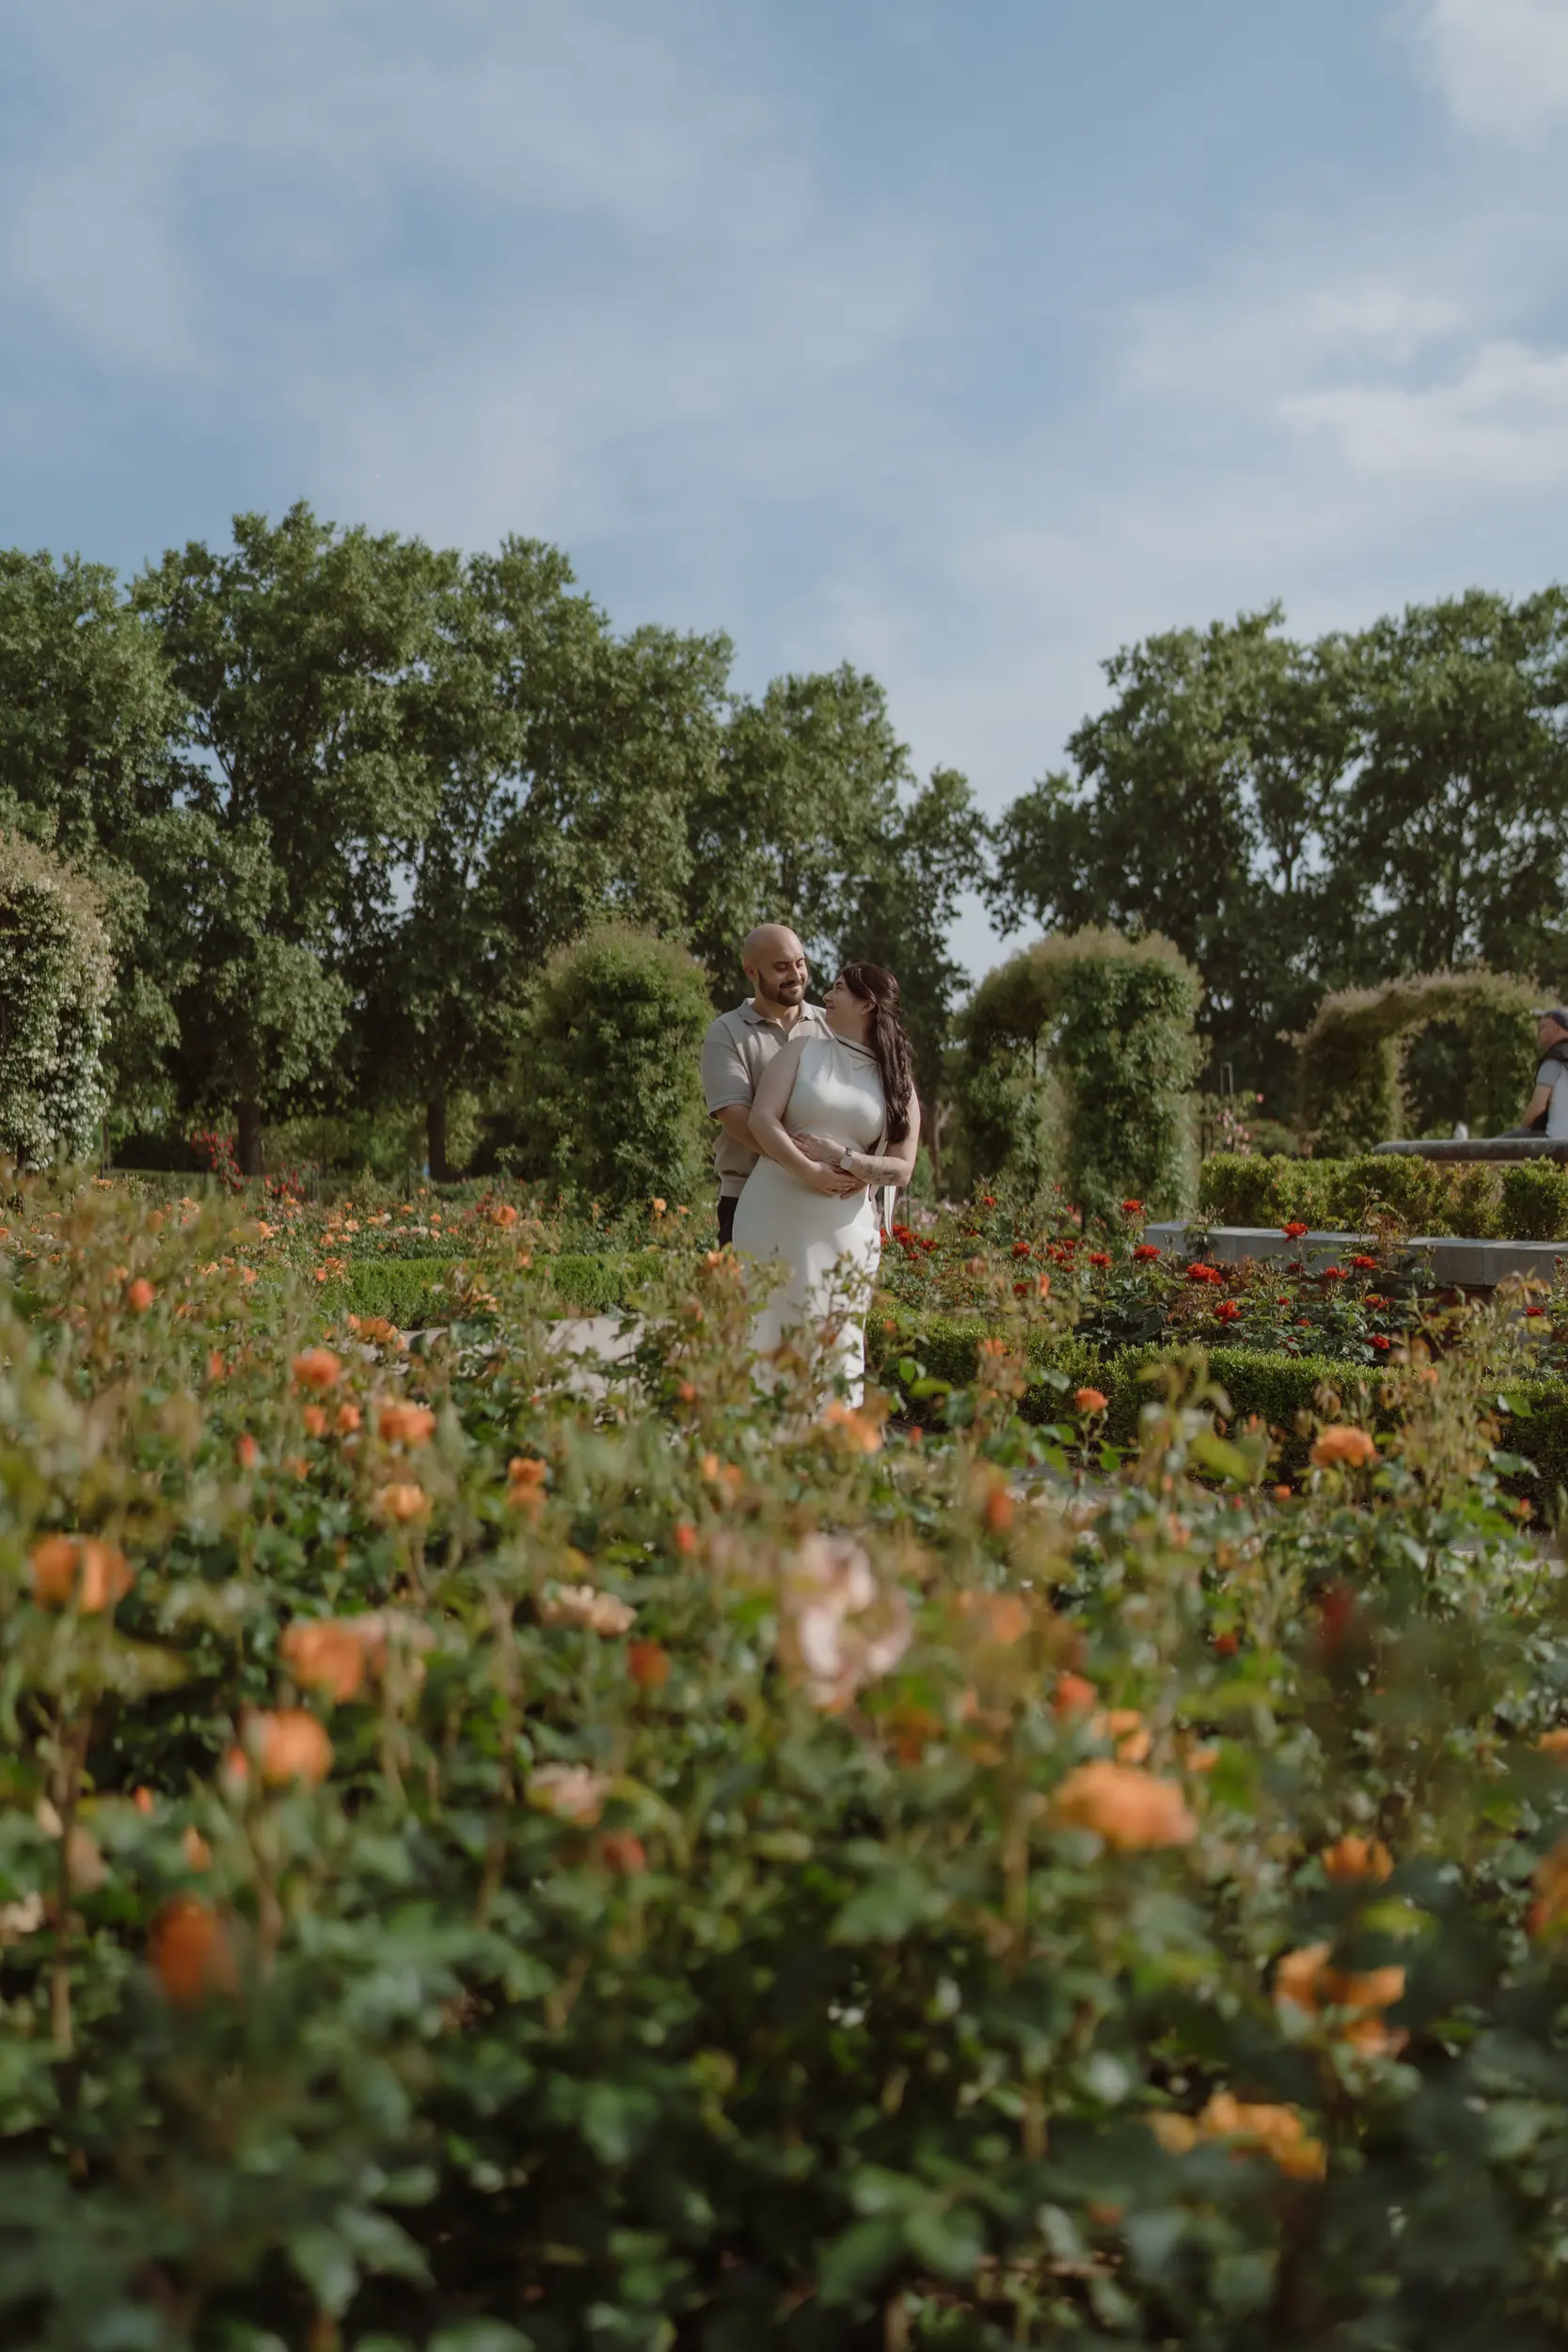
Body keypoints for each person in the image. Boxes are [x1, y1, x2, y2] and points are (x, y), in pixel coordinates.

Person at [733, 961, 921, 1405]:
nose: (827, 996)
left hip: (843, 1226)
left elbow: (902, 1169)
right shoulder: (802, 1050)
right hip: (772, 1211)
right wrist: (809, 1170)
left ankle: (828, 1446)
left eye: (838, 988)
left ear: (867, 1003)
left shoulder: (898, 1083)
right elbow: (762, 1119)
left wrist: (844, 1159)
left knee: (833, 1329)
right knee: (765, 1323)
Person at [700, 925, 832, 1247]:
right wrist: (808, 1167)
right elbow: (739, 1122)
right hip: (749, 1196)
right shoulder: (726, 1032)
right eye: (781, 966)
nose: (796, 974)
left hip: (824, 1198)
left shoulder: (832, 1027)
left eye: (800, 963)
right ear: (751, 971)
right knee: (750, 1298)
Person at [1510, 1007, 1568, 1139]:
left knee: (1496, 1148)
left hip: (1556, 1142)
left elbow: (1538, 1107)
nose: (1538, 1033)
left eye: (1542, 1028)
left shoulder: (1554, 1060)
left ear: (1555, 1029)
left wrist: (1522, 1128)